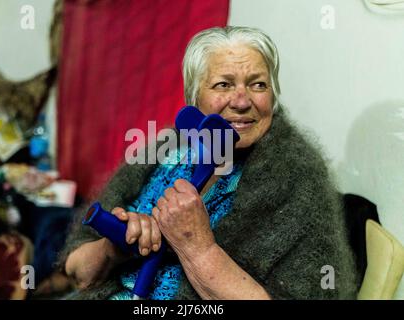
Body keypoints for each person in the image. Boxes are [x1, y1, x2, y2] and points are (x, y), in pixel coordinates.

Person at [56, 26, 360, 300]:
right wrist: (113, 249)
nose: (242, 101)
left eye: (258, 85)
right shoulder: (167, 148)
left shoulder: (297, 175)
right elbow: (77, 271)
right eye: (223, 85)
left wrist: (199, 250)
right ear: (194, 96)